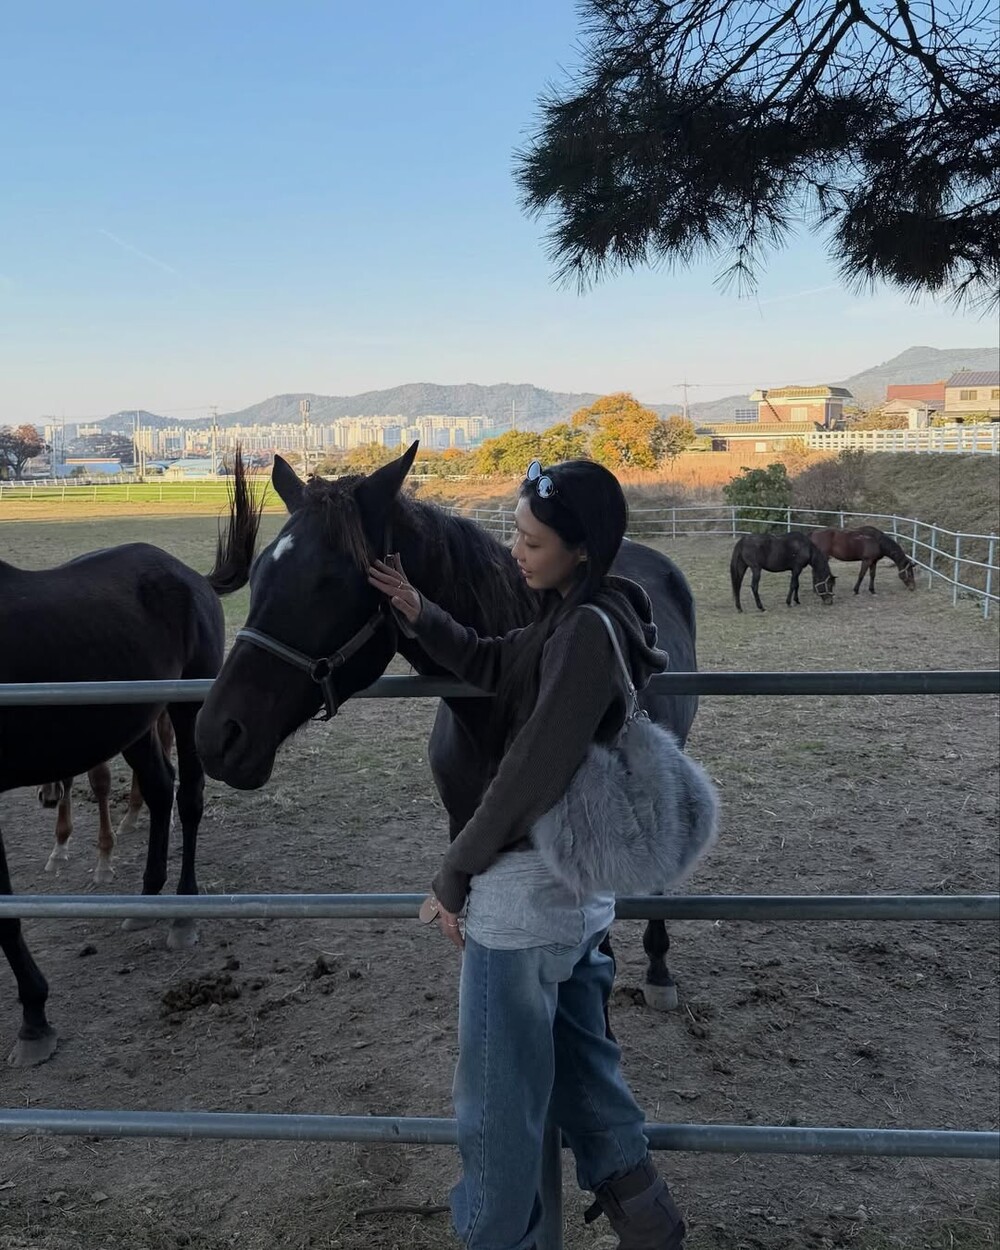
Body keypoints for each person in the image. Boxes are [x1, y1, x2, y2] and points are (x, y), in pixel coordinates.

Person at [368, 459, 686, 1250]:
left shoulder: (581, 636)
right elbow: (493, 659)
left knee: (497, 1109)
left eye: (532, 541)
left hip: (524, 912)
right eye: (513, 533)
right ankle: (649, 1222)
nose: (515, 551)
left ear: (581, 550)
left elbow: (528, 774)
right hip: (574, 906)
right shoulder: (580, 616)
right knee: (586, 1075)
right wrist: (419, 611)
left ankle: (494, 1238)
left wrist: (454, 872)